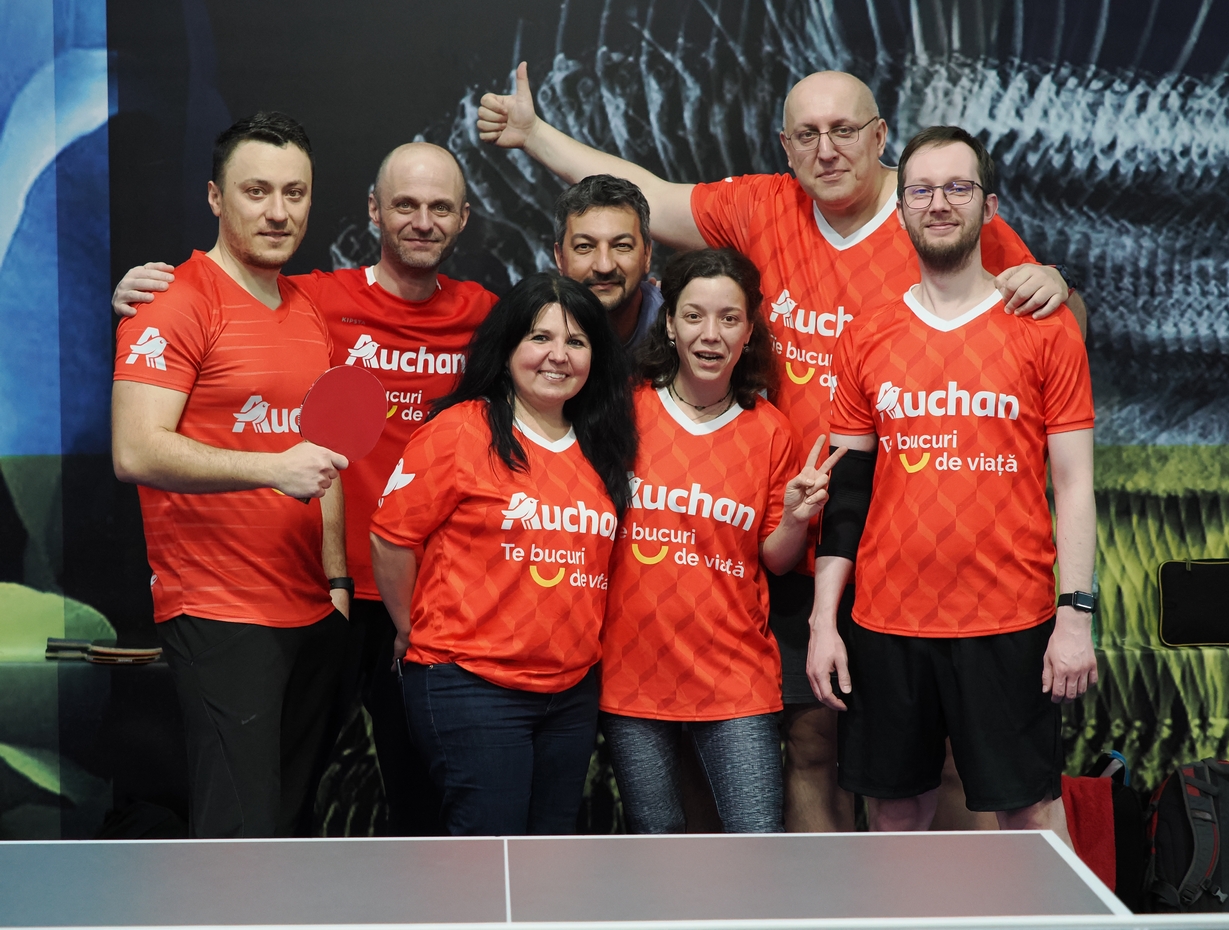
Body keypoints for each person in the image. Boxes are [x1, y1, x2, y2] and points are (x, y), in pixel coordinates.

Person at [479, 63, 1081, 831]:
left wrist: (1054, 280)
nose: (827, 150)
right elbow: (650, 196)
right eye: (807, 134)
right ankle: (826, 895)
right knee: (813, 744)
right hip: (796, 539)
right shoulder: (763, 206)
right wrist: (534, 135)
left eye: (844, 130)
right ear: (786, 145)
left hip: (915, 547)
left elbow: (1050, 318)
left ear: (880, 136)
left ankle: (963, 893)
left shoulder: (932, 208)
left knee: (955, 762)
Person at [111, 142, 497, 835]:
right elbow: (211, 308)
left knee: (421, 800)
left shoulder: (487, 316)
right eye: (405, 205)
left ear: (464, 218)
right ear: (374, 211)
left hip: (426, 599)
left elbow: (568, 344)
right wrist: (137, 293)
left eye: (440, 207)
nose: (422, 221)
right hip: (307, 598)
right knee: (262, 805)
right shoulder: (312, 298)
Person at [807, 126, 1096, 840]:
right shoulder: (867, 335)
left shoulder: (1045, 328)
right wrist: (823, 622)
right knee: (895, 813)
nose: (939, 204)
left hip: (1011, 620)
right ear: (902, 209)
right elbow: (847, 494)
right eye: (922, 191)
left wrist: (1075, 617)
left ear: (988, 207)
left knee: (1028, 813)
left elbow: (1075, 485)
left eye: (958, 188)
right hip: (885, 624)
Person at [111, 112, 351, 838]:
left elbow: (325, 461)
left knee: (289, 829)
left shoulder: (308, 310)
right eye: (256, 191)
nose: (278, 211)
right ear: (216, 197)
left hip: (311, 613)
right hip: (220, 612)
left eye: (294, 193)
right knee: (239, 837)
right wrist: (271, 468)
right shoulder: (173, 300)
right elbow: (135, 450)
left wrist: (337, 584)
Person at [370, 273, 636, 835]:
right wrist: (411, 627)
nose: (558, 356)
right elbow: (390, 539)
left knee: (550, 855)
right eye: (540, 338)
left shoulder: (602, 443)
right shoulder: (459, 430)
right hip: (470, 683)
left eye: (576, 342)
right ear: (508, 345)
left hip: (570, 694)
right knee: (489, 856)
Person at [601, 247, 839, 833]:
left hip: (734, 678)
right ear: (670, 324)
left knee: (756, 843)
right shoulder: (625, 413)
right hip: (631, 676)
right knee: (656, 847)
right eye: (694, 316)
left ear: (749, 330)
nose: (711, 334)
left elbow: (775, 560)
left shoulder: (770, 431)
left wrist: (795, 518)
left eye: (729, 318)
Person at [552, 174, 663, 350]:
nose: (604, 266)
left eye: (622, 246)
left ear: (647, 254)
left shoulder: (681, 325)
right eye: (584, 247)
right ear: (560, 258)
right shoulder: (529, 330)